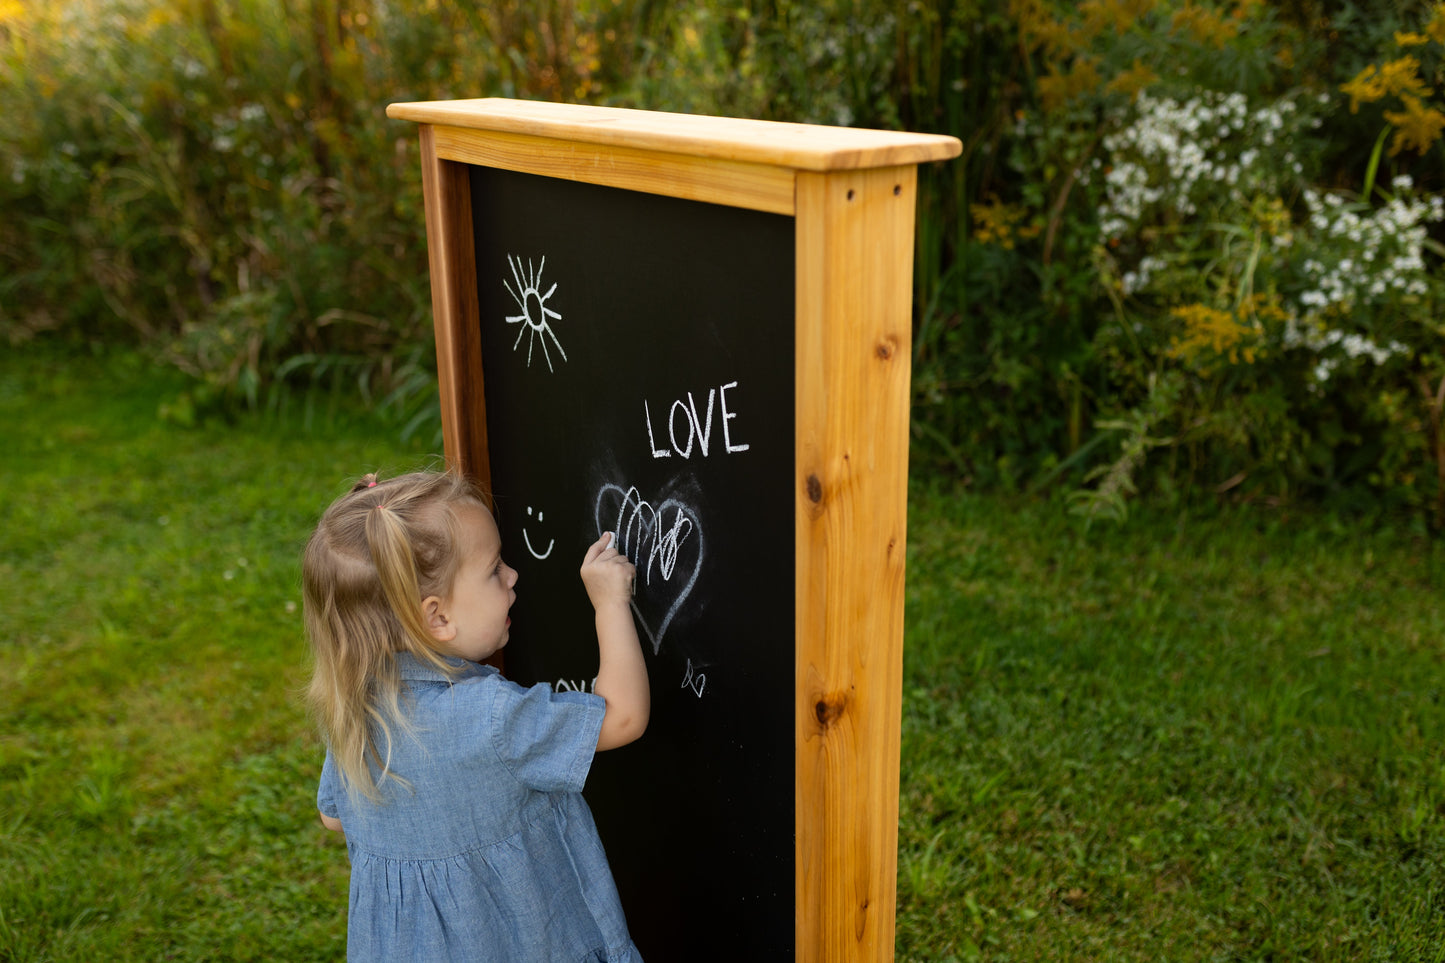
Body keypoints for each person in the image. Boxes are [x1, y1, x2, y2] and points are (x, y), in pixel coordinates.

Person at [304, 470, 648, 962]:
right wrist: (609, 603)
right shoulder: (490, 718)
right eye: (494, 569)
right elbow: (624, 718)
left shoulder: (353, 708)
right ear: (436, 617)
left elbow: (332, 816)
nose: (512, 576)